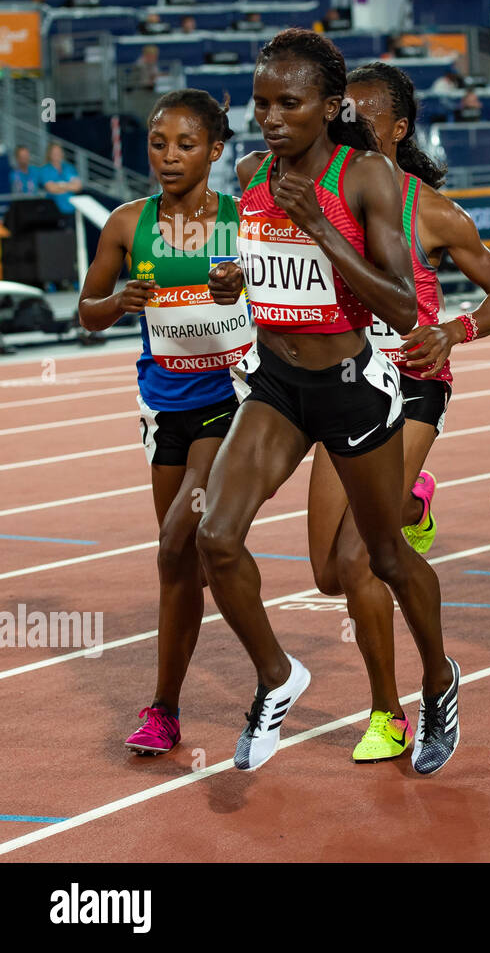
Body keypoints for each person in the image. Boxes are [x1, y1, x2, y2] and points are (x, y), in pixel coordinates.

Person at [197, 29, 460, 775]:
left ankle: (438, 677)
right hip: (277, 385)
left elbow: (405, 307)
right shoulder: (251, 173)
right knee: (215, 537)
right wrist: (234, 281)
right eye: (260, 104)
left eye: (290, 102)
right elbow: (262, 267)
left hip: (353, 387)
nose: (271, 118)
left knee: (379, 557)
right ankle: (278, 675)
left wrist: (317, 224)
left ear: (330, 106)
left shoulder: (365, 178)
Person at [305, 62, 490, 762]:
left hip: (410, 385)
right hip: (340, 384)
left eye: (368, 120)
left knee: (358, 556)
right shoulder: (316, 193)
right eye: (345, 118)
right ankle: (413, 507)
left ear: (398, 129)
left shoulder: (427, 209)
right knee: (327, 573)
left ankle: (401, 704)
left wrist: (455, 331)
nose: (352, 130)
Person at [78, 90, 252, 755]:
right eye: (158, 142)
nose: (169, 155)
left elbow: (286, 298)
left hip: (231, 402)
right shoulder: (127, 223)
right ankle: (168, 710)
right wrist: (119, 300)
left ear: (214, 149)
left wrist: (246, 291)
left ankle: (262, 673)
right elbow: (88, 313)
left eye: (185, 144)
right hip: (164, 408)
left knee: (177, 538)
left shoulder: (244, 221)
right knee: (183, 562)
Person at [39, 143, 82, 216]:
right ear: (49, 154)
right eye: (54, 153)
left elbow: (78, 187)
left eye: (59, 152)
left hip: (71, 209)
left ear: (62, 153)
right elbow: (51, 188)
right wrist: (69, 186)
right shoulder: (45, 170)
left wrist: (60, 185)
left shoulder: (69, 168)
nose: (57, 155)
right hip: (53, 211)